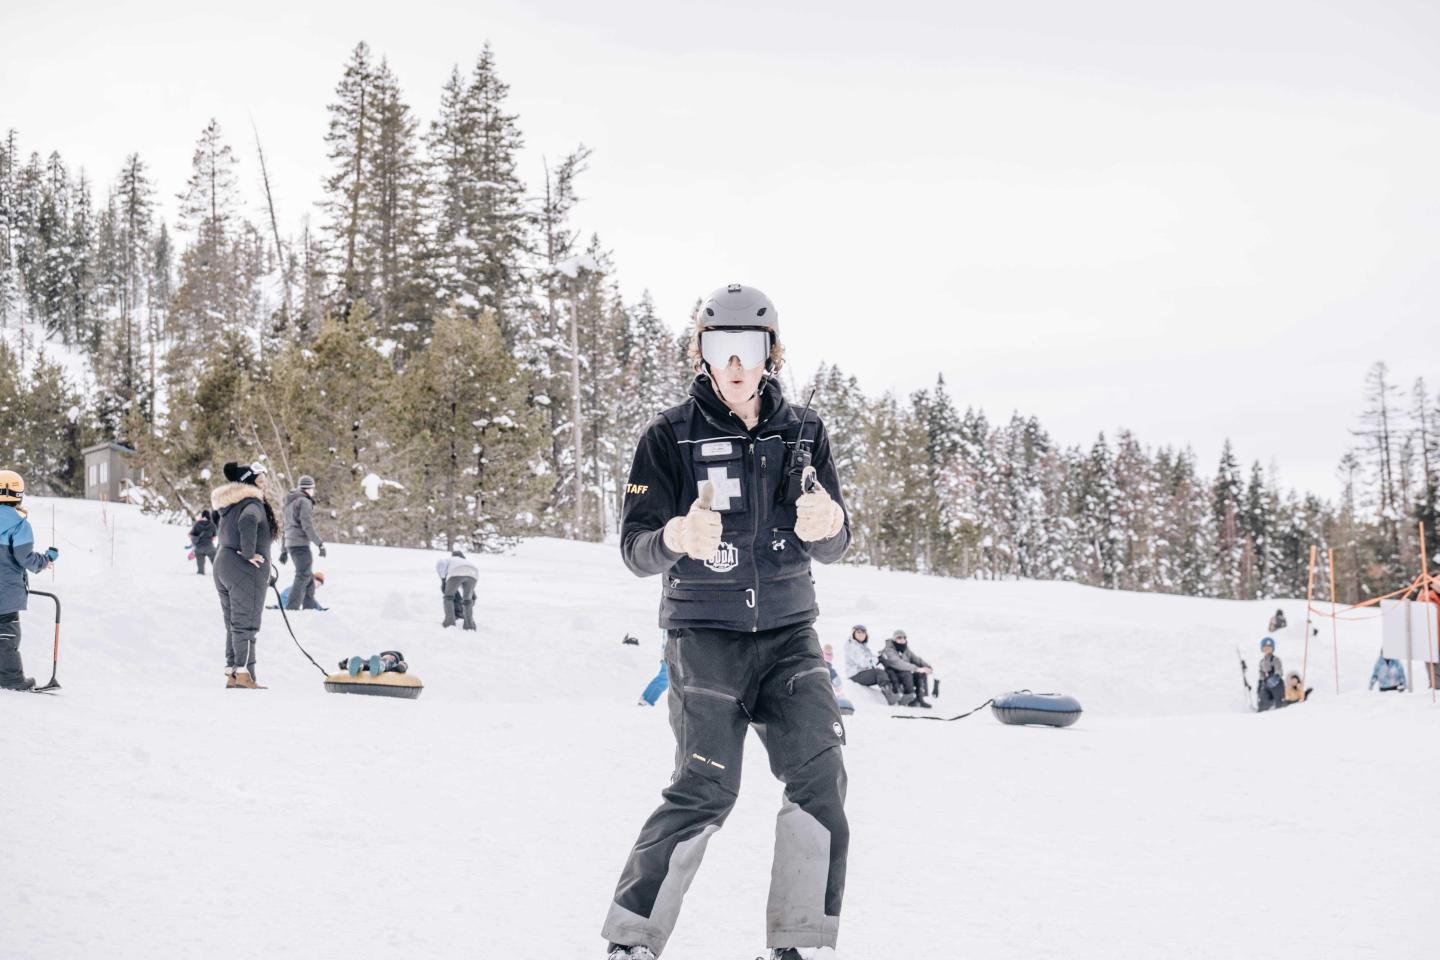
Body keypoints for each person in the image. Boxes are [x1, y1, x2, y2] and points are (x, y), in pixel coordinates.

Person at [603, 284, 852, 960]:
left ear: (772, 353)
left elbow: (835, 541)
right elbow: (634, 549)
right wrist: (675, 536)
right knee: (705, 786)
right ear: (702, 354)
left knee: (821, 778)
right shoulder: (668, 435)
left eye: (748, 347)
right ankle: (632, 940)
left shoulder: (805, 432)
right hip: (704, 637)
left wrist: (829, 525)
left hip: (789, 637)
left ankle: (797, 942)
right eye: (720, 347)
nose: (735, 363)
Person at [212, 461, 277, 689]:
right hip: (243, 568)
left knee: (233, 623)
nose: (264, 485)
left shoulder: (231, 504)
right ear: (249, 483)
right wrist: (249, 553)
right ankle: (244, 673)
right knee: (246, 624)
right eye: (260, 481)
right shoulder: (252, 503)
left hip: (223, 563)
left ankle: (233, 671)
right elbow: (248, 520)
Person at [0, 470, 57, 692]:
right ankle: (10, 679)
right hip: (5, 594)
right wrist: (46, 560)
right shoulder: (19, 525)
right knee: (7, 634)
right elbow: (25, 558)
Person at [281, 475, 327, 611]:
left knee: (307, 575)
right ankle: (292, 607)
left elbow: (285, 527)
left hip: (291, 544)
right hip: (300, 544)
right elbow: (307, 526)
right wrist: (319, 544)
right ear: (309, 489)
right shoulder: (304, 501)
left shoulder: (289, 503)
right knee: (302, 575)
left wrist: (284, 550)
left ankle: (309, 606)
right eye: (313, 489)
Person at [844, 624, 897, 705]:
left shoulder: (862, 646)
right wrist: (877, 659)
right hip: (855, 675)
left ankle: (898, 692)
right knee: (879, 673)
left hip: (863, 673)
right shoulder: (851, 646)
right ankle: (890, 696)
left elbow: (871, 661)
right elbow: (863, 662)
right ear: (853, 634)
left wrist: (880, 658)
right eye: (858, 632)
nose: (861, 634)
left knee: (888, 672)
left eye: (863, 632)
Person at [880, 629, 934, 708]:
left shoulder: (905, 649)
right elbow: (899, 664)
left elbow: (916, 659)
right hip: (893, 675)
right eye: (899, 638)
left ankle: (920, 698)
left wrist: (927, 667)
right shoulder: (889, 650)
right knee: (907, 673)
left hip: (904, 673)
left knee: (921, 674)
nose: (902, 639)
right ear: (894, 639)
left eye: (904, 637)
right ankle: (909, 698)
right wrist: (916, 668)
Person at [435, 550, 479, 629]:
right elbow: (464, 579)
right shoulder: (466, 561)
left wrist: (443, 580)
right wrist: (472, 594)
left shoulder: (450, 559)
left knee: (448, 597)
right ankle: (469, 625)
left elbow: (440, 564)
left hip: (456, 572)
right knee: (467, 600)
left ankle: (449, 622)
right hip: (473, 573)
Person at [1256, 637, 1285, 711]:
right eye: (1265, 647)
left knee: (1278, 697)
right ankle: (1262, 708)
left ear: (1272, 649)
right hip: (1267, 682)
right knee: (1263, 695)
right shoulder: (1262, 661)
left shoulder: (1275, 659)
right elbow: (1261, 672)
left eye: (1269, 647)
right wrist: (1261, 681)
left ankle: (1280, 709)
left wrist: (1276, 676)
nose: (1267, 649)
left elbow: (1279, 669)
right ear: (1262, 649)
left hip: (1276, 682)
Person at [189, 509, 218, 575]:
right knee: (215, 561)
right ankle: (217, 572)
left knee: (200, 567)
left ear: (202, 515)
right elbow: (214, 537)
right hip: (209, 547)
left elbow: (190, 534)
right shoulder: (212, 525)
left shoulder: (197, 524)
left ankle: (201, 572)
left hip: (199, 548)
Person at [339, 650, 407, 677]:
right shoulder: (375, 659)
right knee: (364, 663)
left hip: (384, 667)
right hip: (371, 666)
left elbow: (402, 667)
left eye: (394, 659)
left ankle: (379, 667)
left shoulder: (393, 664)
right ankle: (356, 666)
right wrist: (344, 666)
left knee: (385, 664)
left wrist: (401, 666)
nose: (392, 658)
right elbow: (366, 662)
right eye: (391, 655)